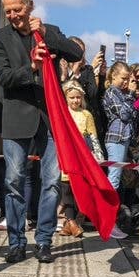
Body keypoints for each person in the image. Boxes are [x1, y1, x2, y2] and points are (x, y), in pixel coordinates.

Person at [0, 0, 83, 265]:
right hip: (16, 118)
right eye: (8, 11)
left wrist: (46, 32)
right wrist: (31, 69)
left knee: (52, 182)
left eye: (17, 10)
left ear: (29, 6)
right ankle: (16, 242)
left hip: (50, 118)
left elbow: (74, 54)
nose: (13, 15)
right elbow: (3, 77)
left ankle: (44, 241)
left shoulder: (48, 30)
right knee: (13, 182)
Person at [58, 80, 102, 238]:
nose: (75, 100)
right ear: (66, 98)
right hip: (66, 155)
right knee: (66, 189)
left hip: (82, 157)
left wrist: (97, 156)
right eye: (72, 98)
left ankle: (73, 222)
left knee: (80, 191)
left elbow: (93, 136)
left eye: (78, 97)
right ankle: (71, 222)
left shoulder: (86, 115)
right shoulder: (62, 113)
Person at [102, 61, 139, 194]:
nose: (126, 82)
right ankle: (107, 212)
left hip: (126, 138)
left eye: (128, 79)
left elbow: (136, 115)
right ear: (113, 76)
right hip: (116, 139)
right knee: (114, 178)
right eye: (123, 78)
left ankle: (116, 210)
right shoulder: (111, 92)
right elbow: (124, 115)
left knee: (123, 179)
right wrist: (130, 95)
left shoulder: (124, 94)